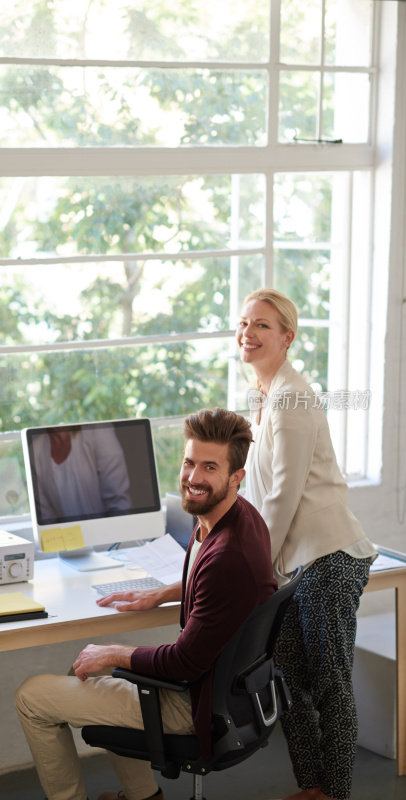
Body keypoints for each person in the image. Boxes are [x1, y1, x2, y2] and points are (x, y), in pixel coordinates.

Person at [15, 408, 277, 800]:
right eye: (189, 463)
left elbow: (183, 662)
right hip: (226, 692)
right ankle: (143, 797)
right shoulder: (237, 518)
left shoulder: (227, 556)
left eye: (210, 467)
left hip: (194, 705)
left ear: (236, 476)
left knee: (32, 696)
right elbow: (218, 590)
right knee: (82, 666)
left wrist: (117, 653)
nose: (193, 478)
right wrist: (164, 592)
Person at [236, 288, 377, 800]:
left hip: (329, 557)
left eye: (262, 325)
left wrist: (258, 570)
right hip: (300, 563)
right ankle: (311, 788)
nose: (247, 333)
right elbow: (258, 496)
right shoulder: (266, 396)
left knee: (330, 684)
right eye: (244, 323)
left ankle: (333, 793)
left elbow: (283, 497)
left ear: (287, 337)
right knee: (289, 679)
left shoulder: (291, 399)